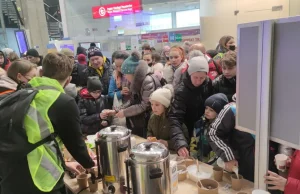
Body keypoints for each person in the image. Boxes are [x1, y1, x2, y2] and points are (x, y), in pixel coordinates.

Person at [0, 52, 95, 194]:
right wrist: (91, 165)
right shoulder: (63, 101)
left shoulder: (22, 91)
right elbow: (76, 145)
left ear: (41, 72)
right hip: (39, 181)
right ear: (68, 80)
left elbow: (35, 138)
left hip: (9, 175)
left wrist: (65, 164)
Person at [169, 55, 213, 157]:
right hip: (188, 131)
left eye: (202, 77)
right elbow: (175, 118)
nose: (198, 81)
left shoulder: (208, 84)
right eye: (195, 77)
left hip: (205, 131)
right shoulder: (182, 91)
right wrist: (180, 143)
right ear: (189, 74)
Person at [207, 94, 255, 181]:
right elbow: (213, 133)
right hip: (243, 166)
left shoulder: (276, 106)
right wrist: (229, 157)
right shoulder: (233, 109)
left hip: (271, 170)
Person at [116, 52, 162, 138]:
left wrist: (125, 112)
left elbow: (144, 105)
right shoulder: (134, 81)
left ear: (133, 73)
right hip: (141, 120)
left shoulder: (147, 80)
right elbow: (133, 100)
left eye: (126, 74)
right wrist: (119, 109)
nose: (125, 77)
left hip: (150, 120)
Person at [147, 84, 188, 151]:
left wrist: (167, 143)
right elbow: (149, 130)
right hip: (157, 151)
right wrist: (149, 136)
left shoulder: (174, 120)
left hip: (172, 153)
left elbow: (185, 140)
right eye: (152, 104)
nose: (153, 107)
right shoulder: (152, 117)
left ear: (165, 106)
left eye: (157, 105)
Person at [190, 93, 228, 163]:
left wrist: (211, 165)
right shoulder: (199, 124)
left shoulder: (222, 129)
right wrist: (193, 157)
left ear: (219, 113)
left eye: (211, 110)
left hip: (214, 165)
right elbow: (194, 141)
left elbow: (222, 150)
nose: (207, 111)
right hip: (199, 162)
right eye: (206, 108)